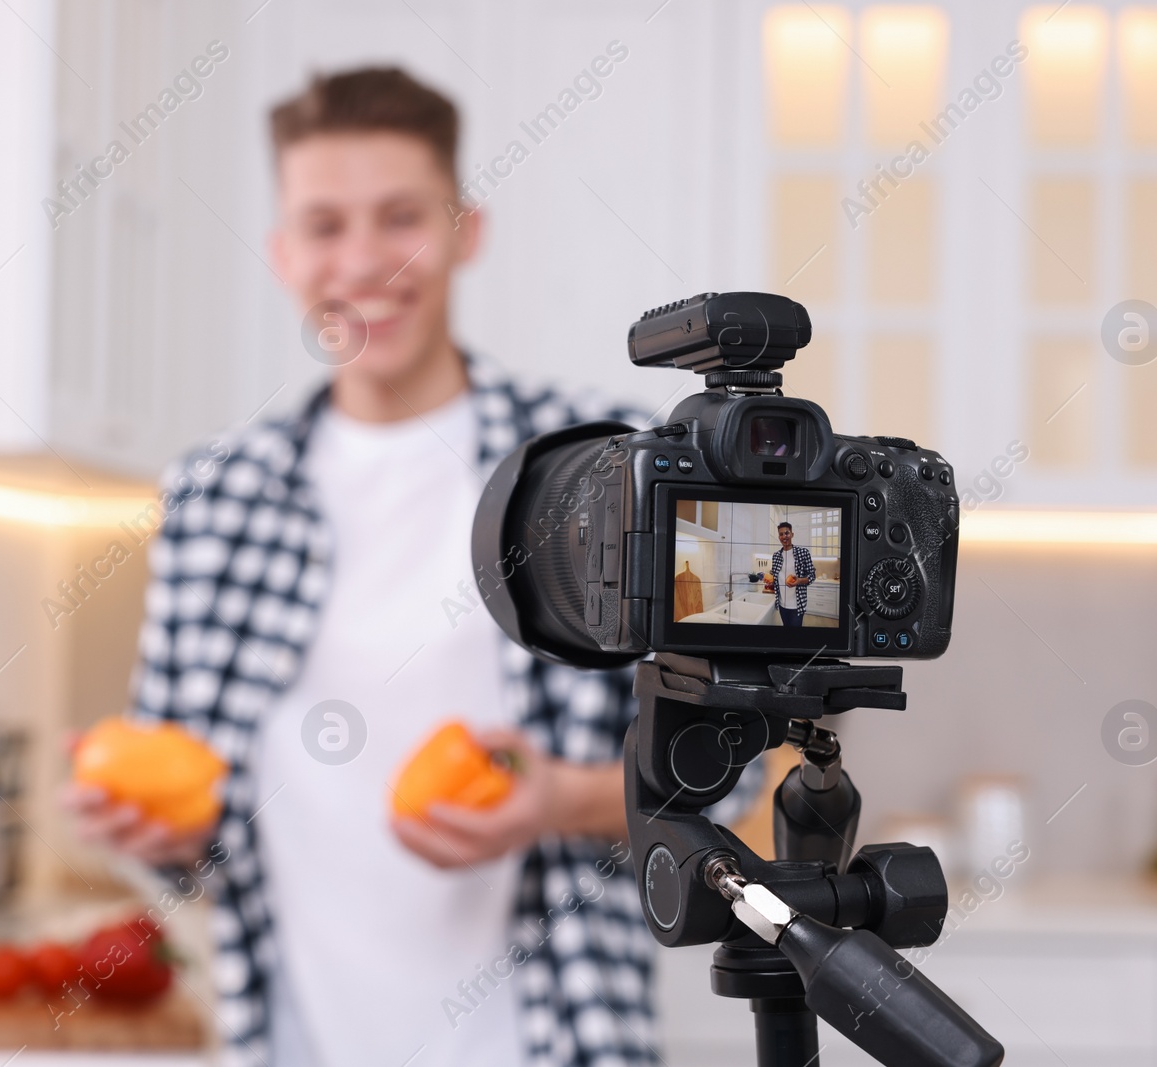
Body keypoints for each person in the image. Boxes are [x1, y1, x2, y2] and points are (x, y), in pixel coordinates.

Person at [63, 67, 755, 1067]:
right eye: (325, 224)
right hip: (289, 1040)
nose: (363, 262)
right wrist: (142, 824)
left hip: (555, 1039)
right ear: (281, 252)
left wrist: (558, 799)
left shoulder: (599, 471)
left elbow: (732, 776)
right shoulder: (212, 495)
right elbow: (195, 833)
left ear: (464, 229)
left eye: (400, 217)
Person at [767, 521, 815, 626]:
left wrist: (799, 581)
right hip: (781, 603)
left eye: (787, 533)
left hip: (796, 604)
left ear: (792, 534)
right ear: (779, 537)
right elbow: (775, 576)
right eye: (781, 534)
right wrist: (769, 579)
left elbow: (812, 575)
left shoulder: (803, 553)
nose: (784, 536)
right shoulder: (776, 556)